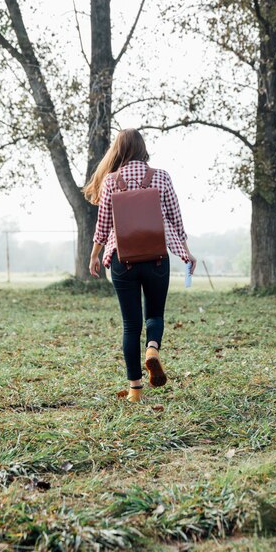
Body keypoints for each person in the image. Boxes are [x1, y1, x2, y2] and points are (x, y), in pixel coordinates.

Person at [83, 128, 197, 403]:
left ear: (119, 151)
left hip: (123, 261)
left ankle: (135, 390)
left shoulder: (111, 181)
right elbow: (176, 219)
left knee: (130, 324)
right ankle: (153, 351)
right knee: (155, 314)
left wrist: (95, 254)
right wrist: (186, 252)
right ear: (143, 149)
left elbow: (103, 226)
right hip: (157, 257)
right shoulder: (161, 177)